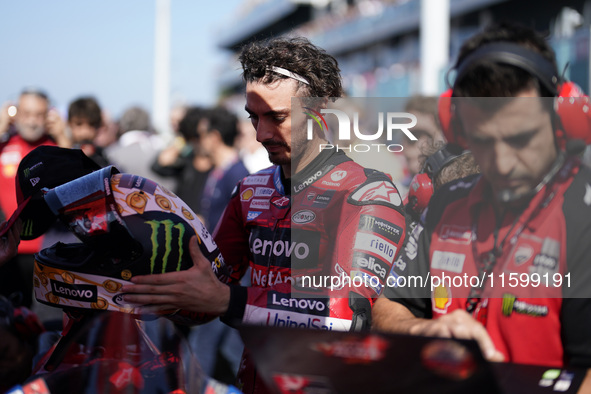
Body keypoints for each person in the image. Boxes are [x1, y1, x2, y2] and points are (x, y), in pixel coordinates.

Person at [123, 37, 407, 393]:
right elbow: (207, 288)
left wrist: (229, 302)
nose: (261, 134)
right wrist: (140, 285)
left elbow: (349, 316)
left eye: (278, 117)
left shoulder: (367, 193)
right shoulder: (249, 191)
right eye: (253, 118)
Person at [372, 22, 591, 376]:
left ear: (561, 119)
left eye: (521, 139)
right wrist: (421, 329)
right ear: (458, 130)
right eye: (483, 140)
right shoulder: (446, 203)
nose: (502, 162)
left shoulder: (583, 216)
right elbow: (388, 307)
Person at [0, 89, 71, 307]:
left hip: (47, 252)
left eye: (39, 114)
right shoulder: (4, 145)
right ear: (16, 114)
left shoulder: (54, 147)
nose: (32, 121)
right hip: (6, 252)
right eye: (27, 113)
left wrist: (62, 136)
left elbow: (75, 180)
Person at [66, 96, 110, 168]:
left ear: (99, 125)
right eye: (78, 124)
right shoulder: (61, 158)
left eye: (91, 124)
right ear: (69, 124)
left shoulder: (105, 159)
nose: (85, 133)